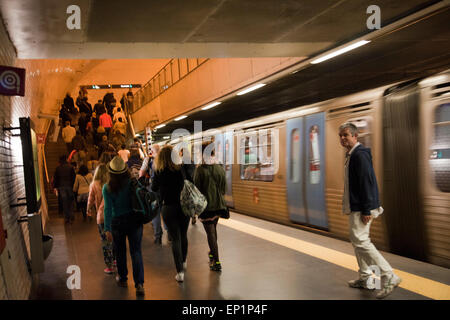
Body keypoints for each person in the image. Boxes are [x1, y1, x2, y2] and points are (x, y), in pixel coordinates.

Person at [338, 122, 401, 299]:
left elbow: (367, 182)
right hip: (357, 206)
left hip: (362, 207)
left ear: (355, 136)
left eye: (346, 135)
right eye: (340, 136)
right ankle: (366, 277)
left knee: (361, 242)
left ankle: (389, 275)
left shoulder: (359, 155)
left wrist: (366, 209)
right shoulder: (352, 154)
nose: (343, 138)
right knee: (358, 241)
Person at [103, 156, 145, 296]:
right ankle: (139, 283)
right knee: (136, 252)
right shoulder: (132, 182)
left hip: (117, 223)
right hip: (134, 220)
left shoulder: (107, 187)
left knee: (120, 252)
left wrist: (107, 228)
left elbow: (107, 209)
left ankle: (123, 278)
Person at [151, 145, 189, 282]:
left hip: (168, 207)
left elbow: (153, 188)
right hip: (184, 206)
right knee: (183, 235)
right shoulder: (181, 168)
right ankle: (184, 261)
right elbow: (189, 181)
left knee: (175, 239)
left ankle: (179, 273)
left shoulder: (159, 171)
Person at [193, 141, 227, 271]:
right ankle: (213, 254)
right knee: (213, 230)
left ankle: (217, 262)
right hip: (219, 205)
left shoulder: (200, 169)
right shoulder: (219, 167)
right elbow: (224, 188)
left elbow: (196, 190)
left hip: (207, 207)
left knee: (210, 233)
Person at [87, 163, 115, 274]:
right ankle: (116, 260)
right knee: (115, 239)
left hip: (102, 216)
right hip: (114, 214)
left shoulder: (94, 184)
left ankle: (109, 266)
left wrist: (88, 209)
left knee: (105, 242)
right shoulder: (111, 183)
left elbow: (90, 199)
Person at [140, 144, 166, 244]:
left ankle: (158, 236)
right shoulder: (165, 159)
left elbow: (141, 173)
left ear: (151, 151)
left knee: (155, 212)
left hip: (153, 189)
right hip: (164, 189)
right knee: (164, 209)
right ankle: (170, 234)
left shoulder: (149, 160)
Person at [53, 155, 76, 224]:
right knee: (71, 201)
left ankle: (67, 217)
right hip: (70, 186)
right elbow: (74, 177)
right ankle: (72, 215)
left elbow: (56, 178)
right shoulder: (71, 167)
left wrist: (55, 187)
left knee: (64, 202)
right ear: (66, 159)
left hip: (61, 187)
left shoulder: (58, 168)